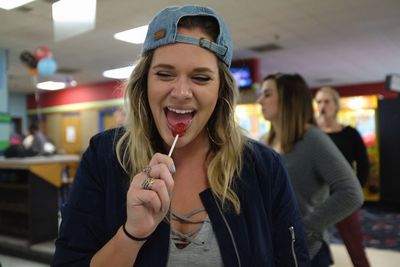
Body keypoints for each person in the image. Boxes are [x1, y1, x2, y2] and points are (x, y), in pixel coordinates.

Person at [52, 5, 310, 267]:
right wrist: (132, 234)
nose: (181, 92)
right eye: (165, 74)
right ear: (145, 83)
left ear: (221, 90)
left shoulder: (263, 166)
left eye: (200, 78)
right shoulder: (105, 155)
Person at [257, 73, 363, 267]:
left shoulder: (313, 139)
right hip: (271, 248)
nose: (259, 100)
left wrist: (304, 228)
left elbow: (352, 193)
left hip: (306, 251)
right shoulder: (264, 141)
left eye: (267, 94)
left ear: (288, 98)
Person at [315, 87, 370, 267]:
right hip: (316, 199)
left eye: (327, 101)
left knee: (356, 248)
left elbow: (363, 165)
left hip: (343, 197)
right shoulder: (310, 134)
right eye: (319, 102)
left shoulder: (350, 134)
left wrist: (355, 191)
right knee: (313, 247)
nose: (323, 106)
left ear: (336, 105)